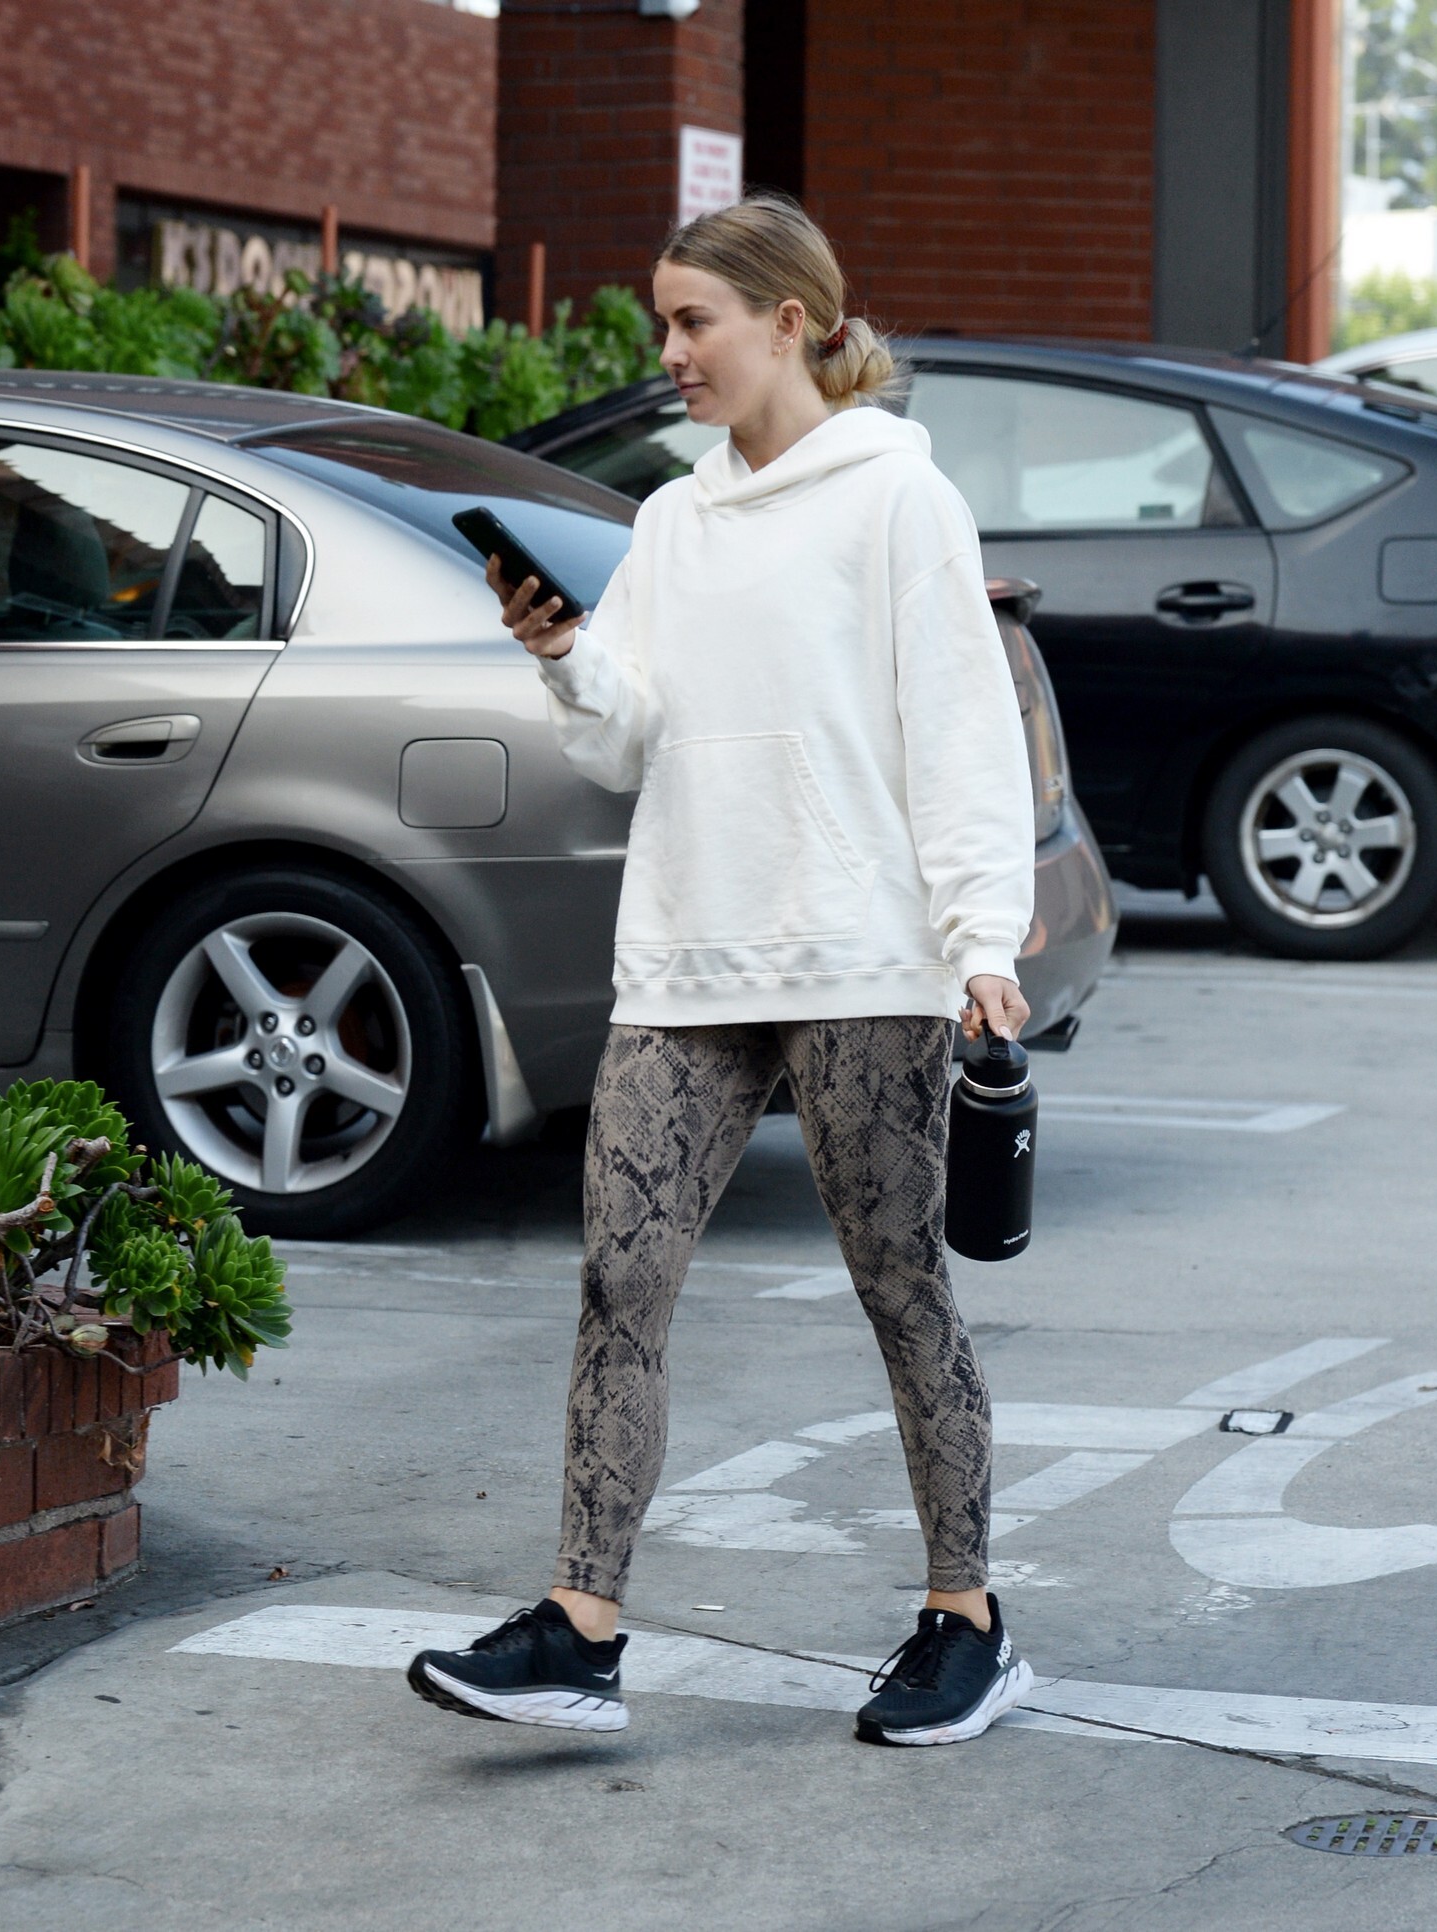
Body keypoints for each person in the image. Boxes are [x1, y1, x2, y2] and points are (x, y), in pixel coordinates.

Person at [408, 194, 1035, 1748]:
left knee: (901, 1285)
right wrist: (564, 653)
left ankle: (968, 1621)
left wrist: (980, 940)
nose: (671, 352)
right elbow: (628, 740)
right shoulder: (677, 521)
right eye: (665, 324)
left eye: (695, 321)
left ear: (790, 322)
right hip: (692, 958)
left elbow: (961, 731)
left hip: (861, 959)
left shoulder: (899, 500)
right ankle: (580, 1631)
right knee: (620, 1279)